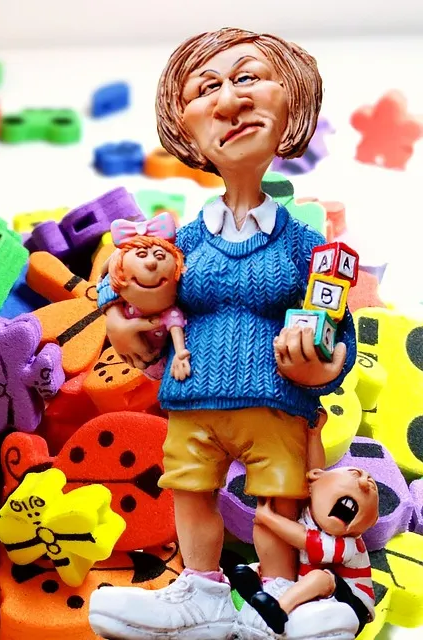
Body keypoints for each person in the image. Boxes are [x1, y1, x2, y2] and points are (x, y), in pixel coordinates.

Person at [88, 27, 358, 640]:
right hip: (192, 398)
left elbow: (336, 326)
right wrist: (112, 312)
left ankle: (281, 597)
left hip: (276, 403)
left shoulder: (305, 245)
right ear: (185, 126)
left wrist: (324, 368)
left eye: (248, 78)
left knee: (276, 503)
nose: (230, 102)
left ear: (291, 101)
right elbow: (127, 273)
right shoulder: (182, 240)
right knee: (190, 491)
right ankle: (200, 594)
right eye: (207, 88)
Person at [232, 410, 378, 638]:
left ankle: (278, 609)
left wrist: (269, 517)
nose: (364, 482)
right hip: (306, 589)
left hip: (351, 604)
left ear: (368, 523)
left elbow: (308, 541)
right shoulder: (311, 510)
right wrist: (314, 434)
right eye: (355, 473)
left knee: (321, 578)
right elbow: (314, 472)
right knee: (263, 553)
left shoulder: (350, 544)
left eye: (372, 487)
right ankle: (259, 588)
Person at [104, 211, 190, 381]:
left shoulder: (170, 313)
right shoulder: (188, 236)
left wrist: (180, 354)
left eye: (159, 256)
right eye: (142, 255)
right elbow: (108, 273)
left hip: (161, 358)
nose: (151, 262)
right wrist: (114, 318)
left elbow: (175, 328)